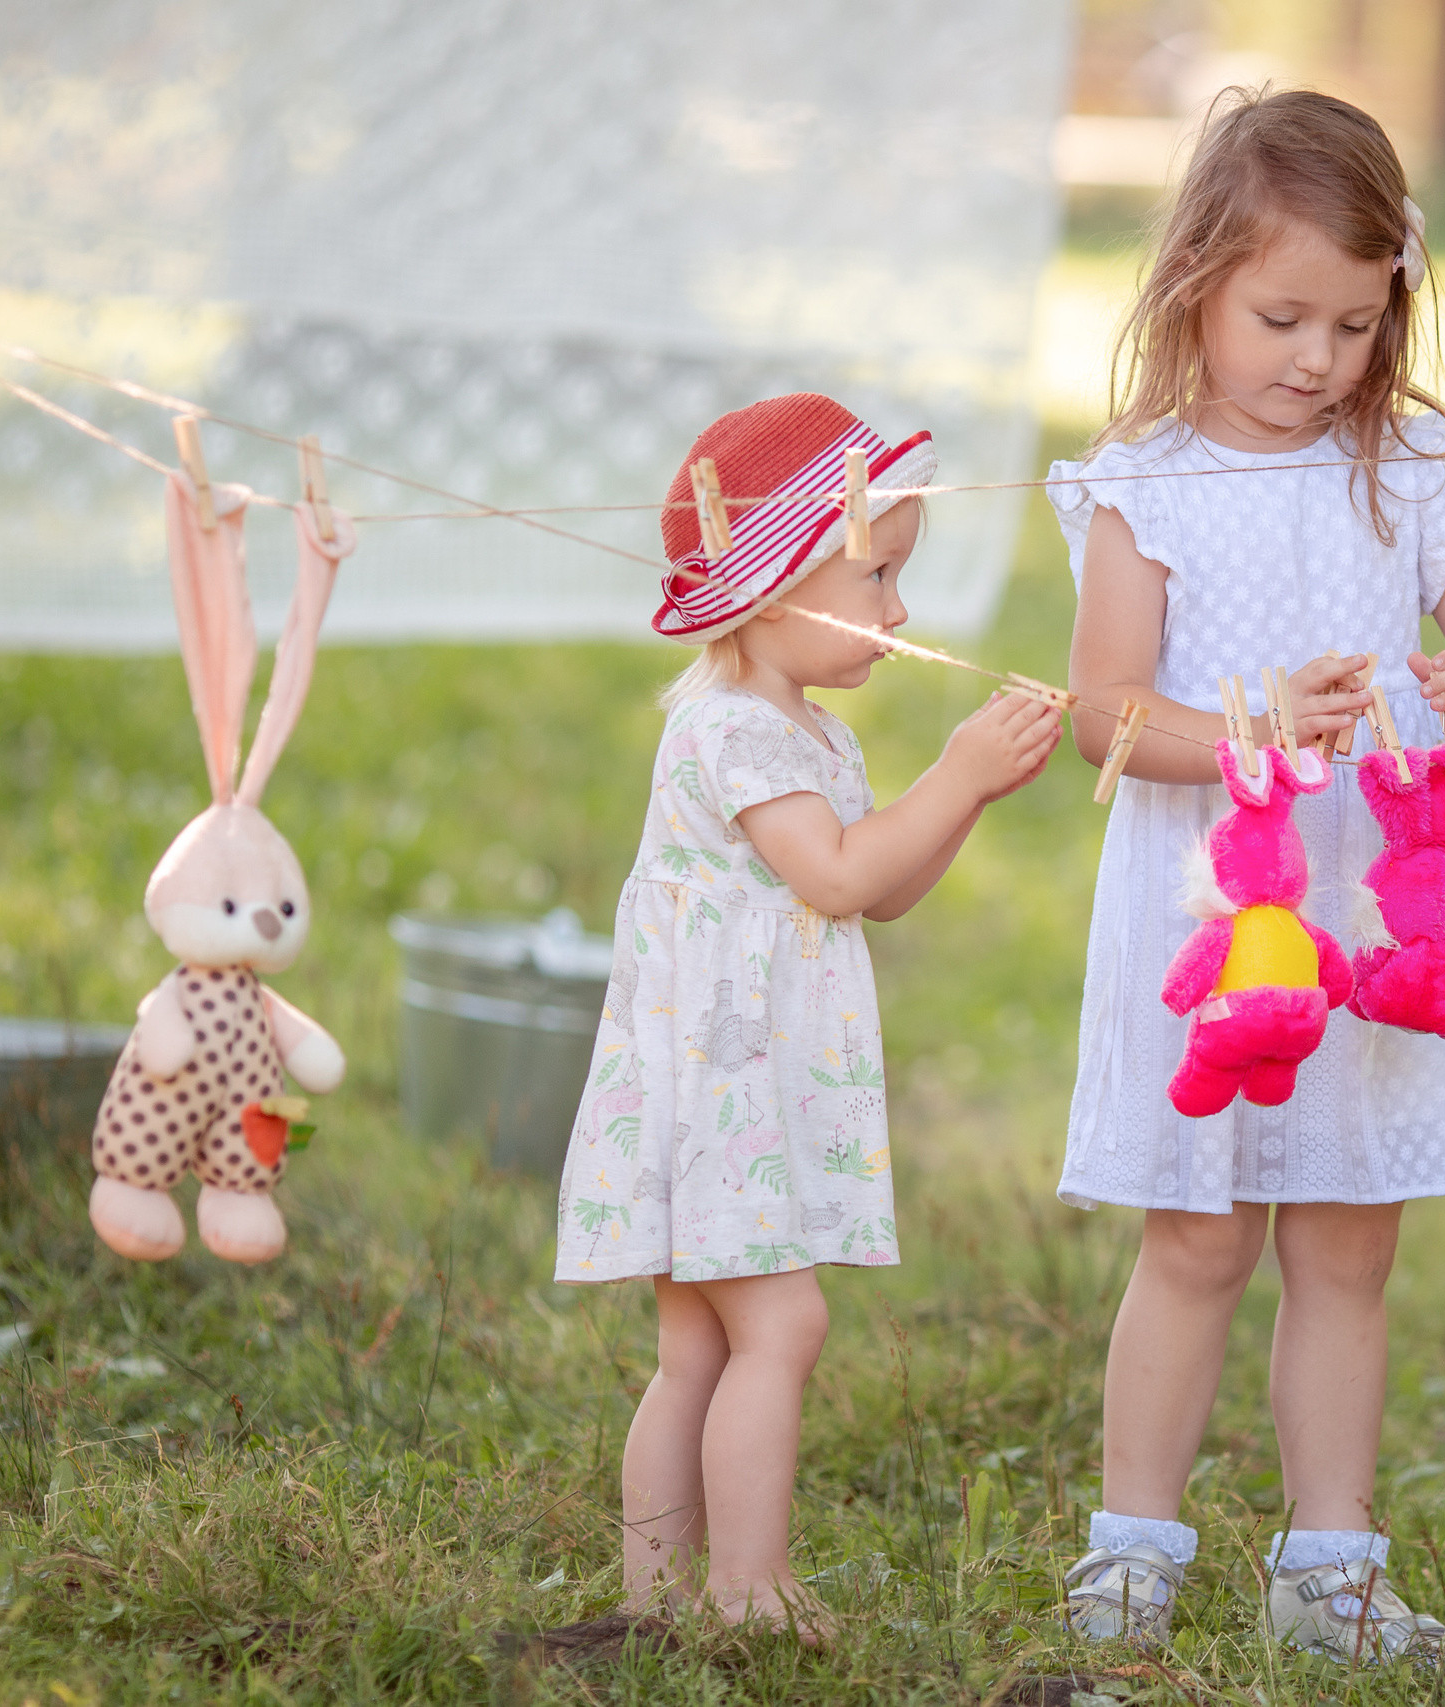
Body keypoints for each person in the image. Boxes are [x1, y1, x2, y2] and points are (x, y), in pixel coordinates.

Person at [1052, 88, 1445, 1665]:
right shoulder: (1146, 478)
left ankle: (1329, 1569)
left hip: (1372, 920)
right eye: (1281, 315)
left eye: (1353, 320)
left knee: (1351, 1240)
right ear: (1194, 277)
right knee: (1197, 1238)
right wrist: (1249, 725)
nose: (1317, 357)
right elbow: (1105, 720)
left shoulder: (1407, 462)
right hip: (1217, 923)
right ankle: (1132, 1552)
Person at [554, 393, 1064, 1636]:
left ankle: (655, 1595)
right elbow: (835, 875)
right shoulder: (733, 732)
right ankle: (744, 1587)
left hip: (731, 1092)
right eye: (876, 574)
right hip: (720, 1086)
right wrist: (952, 774)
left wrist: (968, 800)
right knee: (781, 1325)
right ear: (773, 581)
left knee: (700, 1350)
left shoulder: (808, 734)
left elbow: (876, 896)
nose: (898, 611)